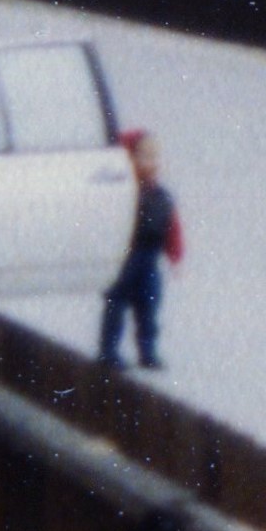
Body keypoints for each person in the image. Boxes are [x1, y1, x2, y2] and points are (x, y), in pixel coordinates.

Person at [99, 130, 184, 370]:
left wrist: (175, 254)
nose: (152, 163)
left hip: (150, 259)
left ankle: (148, 351)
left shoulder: (162, 196)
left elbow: (172, 226)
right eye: (145, 157)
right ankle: (108, 351)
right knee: (116, 305)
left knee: (149, 306)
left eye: (155, 157)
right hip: (123, 259)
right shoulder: (122, 193)